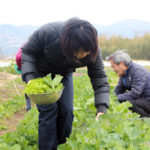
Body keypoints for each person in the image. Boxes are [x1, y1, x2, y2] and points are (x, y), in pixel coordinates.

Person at [21, 17, 110, 150]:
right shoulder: (47, 33)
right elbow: (28, 52)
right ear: (68, 45)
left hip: (63, 73)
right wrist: (30, 78)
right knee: (49, 110)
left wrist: (102, 107)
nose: (84, 55)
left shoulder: (92, 49)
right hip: (41, 73)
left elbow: (99, 77)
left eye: (87, 52)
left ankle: (62, 145)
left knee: (67, 111)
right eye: (80, 51)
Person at [107, 50, 150, 117]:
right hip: (142, 100)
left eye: (113, 66)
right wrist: (109, 99)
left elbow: (135, 93)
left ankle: (146, 119)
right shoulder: (124, 74)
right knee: (123, 101)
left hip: (148, 100)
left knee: (128, 104)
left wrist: (116, 98)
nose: (113, 70)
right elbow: (118, 90)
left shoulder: (138, 71)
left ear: (121, 64)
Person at [15, 43, 31, 111]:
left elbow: (18, 57)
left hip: (25, 68)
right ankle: (39, 105)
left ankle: (28, 105)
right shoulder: (38, 44)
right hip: (37, 69)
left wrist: (19, 66)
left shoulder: (24, 45)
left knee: (28, 86)